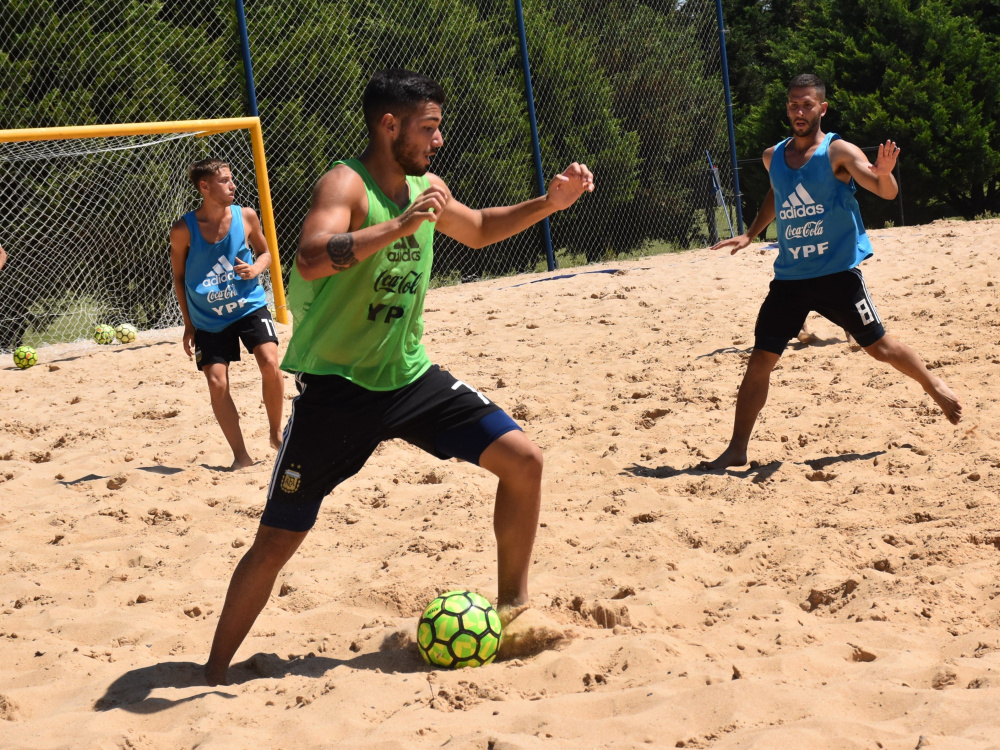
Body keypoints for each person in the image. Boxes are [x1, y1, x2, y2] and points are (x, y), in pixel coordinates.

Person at [204, 69, 594, 685]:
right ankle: (214, 669)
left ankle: (514, 606)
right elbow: (308, 256)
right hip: (338, 393)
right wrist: (399, 226)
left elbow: (482, 229)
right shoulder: (346, 182)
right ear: (391, 125)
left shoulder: (428, 187)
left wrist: (550, 202)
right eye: (428, 128)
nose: (437, 141)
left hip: (410, 381)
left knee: (525, 460)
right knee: (277, 541)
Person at [699, 73, 961, 471]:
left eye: (806, 105)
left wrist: (886, 171)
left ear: (822, 108)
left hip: (837, 274)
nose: (798, 111)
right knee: (759, 361)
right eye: (792, 104)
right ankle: (737, 448)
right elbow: (776, 191)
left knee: (880, 348)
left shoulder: (837, 151)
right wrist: (752, 233)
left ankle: (933, 384)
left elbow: (883, 190)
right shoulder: (775, 156)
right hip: (790, 278)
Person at [169, 158, 284, 470]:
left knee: (271, 363)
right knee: (217, 383)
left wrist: (256, 268)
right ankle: (241, 456)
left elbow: (266, 253)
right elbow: (179, 279)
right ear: (204, 187)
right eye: (224, 181)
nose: (233, 185)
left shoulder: (245, 216)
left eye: (232, 180)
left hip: (248, 305)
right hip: (208, 319)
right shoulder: (183, 230)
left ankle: (276, 433)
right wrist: (188, 325)